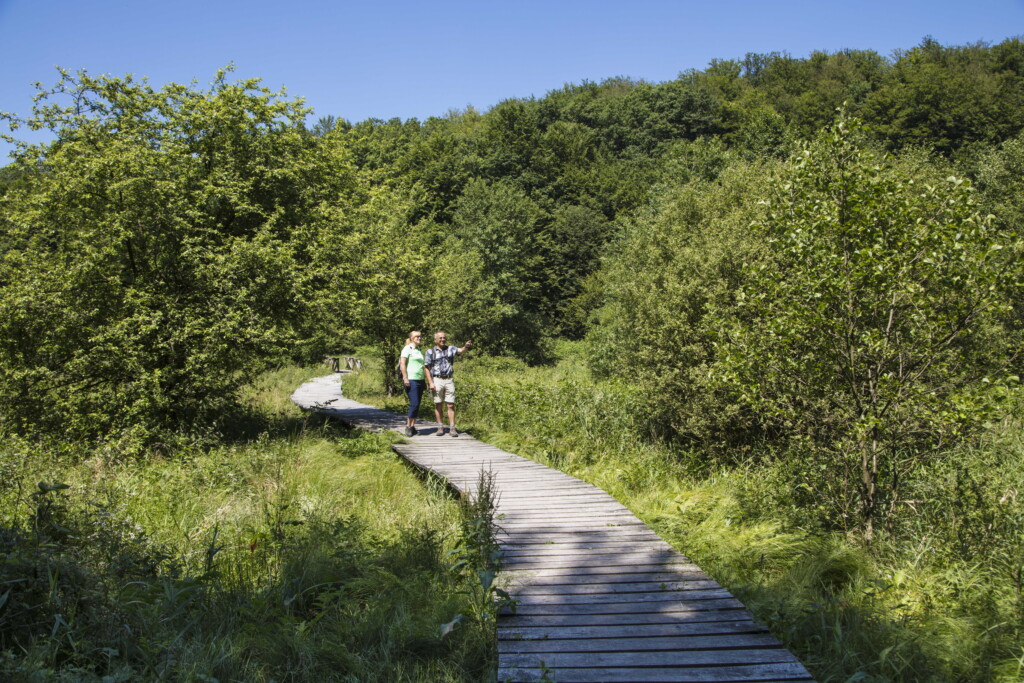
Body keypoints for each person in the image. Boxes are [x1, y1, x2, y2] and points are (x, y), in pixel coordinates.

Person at [424, 331, 472, 436]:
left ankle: (452, 427)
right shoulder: (430, 351)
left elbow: (461, 351)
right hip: (437, 379)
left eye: (444, 338)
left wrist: (466, 346)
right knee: (438, 403)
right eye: (440, 338)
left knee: (450, 404)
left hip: (449, 379)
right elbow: (427, 368)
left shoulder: (451, 349)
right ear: (435, 340)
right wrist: (430, 382)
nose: (443, 340)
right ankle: (440, 426)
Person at [399, 330, 426, 436]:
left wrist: (424, 381)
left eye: (420, 336)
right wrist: (405, 378)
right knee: (414, 403)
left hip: (420, 379)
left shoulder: (419, 349)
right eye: (416, 337)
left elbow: (422, 366)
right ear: (411, 338)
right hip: (411, 379)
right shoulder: (407, 349)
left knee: (417, 404)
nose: (419, 338)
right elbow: (402, 364)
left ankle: (413, 426)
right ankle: (408, 426)